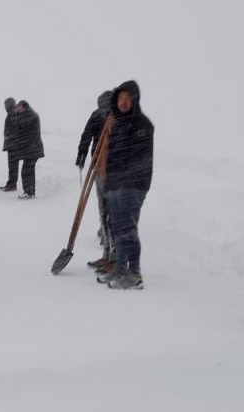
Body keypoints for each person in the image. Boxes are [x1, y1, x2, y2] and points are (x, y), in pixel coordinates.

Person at [96, 80, 154, 290]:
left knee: (128, 229)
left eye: (127, 99)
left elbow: (138, 159)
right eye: (120, 99)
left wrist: (127, 181)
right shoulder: (117, 123)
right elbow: (112, 158)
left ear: (134, 101)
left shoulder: (141, 125)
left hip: (133, 185)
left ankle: (135, 274)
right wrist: (110, 183)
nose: (123, 103)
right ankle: (120, 268)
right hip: (116, 185)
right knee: (119, 229)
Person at [77, 90, 114, 269]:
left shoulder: (102, 114)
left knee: (105, 205)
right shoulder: (116, 115)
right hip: (108, 166)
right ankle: (108, 246)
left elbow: (86, 135)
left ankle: (110, 248)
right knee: (109, 206)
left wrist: (81, 157)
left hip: (103, 165)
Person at [12, 100, 45, 199]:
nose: (16, 109)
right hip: (32, 148)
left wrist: (16, 116)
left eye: (18, 107)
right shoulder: (28, 115)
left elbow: (21, 128)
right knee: (29, 170)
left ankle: (29, 192)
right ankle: (30, 191)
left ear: (24, 107)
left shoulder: (30, 116)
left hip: (32, 149)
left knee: (26, 170)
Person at [0, 97, 18, 191]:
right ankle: (11, 183)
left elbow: (14, 130)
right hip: (13, 144)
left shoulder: (13, 114)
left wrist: (9, 138)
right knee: (12, 166)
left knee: (13, 166)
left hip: (14, 145)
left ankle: (12, 184)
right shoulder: (14, 114)